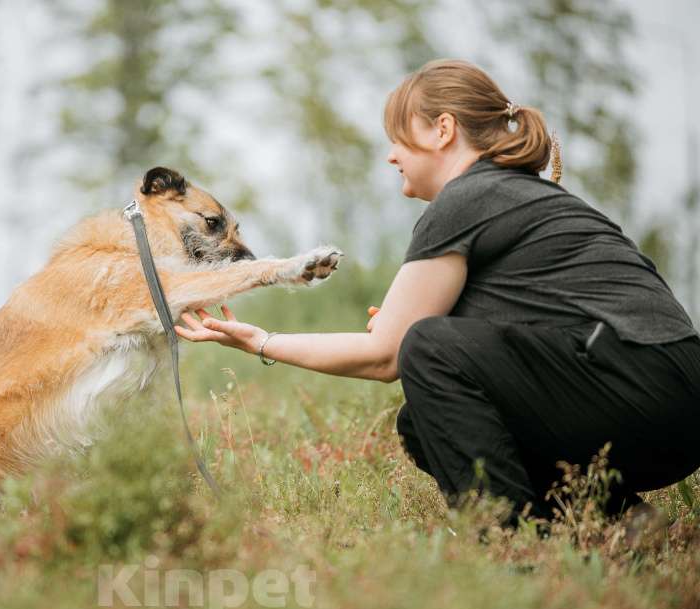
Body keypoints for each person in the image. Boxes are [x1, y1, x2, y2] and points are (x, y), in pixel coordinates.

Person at [174, 58, 700, 526]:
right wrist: (428, 331)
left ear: (443, 129)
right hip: (670, 399)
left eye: (398, 137)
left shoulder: (465, 198)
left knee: (427, 348)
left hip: (636, 387)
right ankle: (625, 525)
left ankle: (515, 547)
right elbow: (536, 330)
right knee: (425, 419)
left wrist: (260, 341)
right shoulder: (519, 193)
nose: (390, 156)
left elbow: (387, 357)